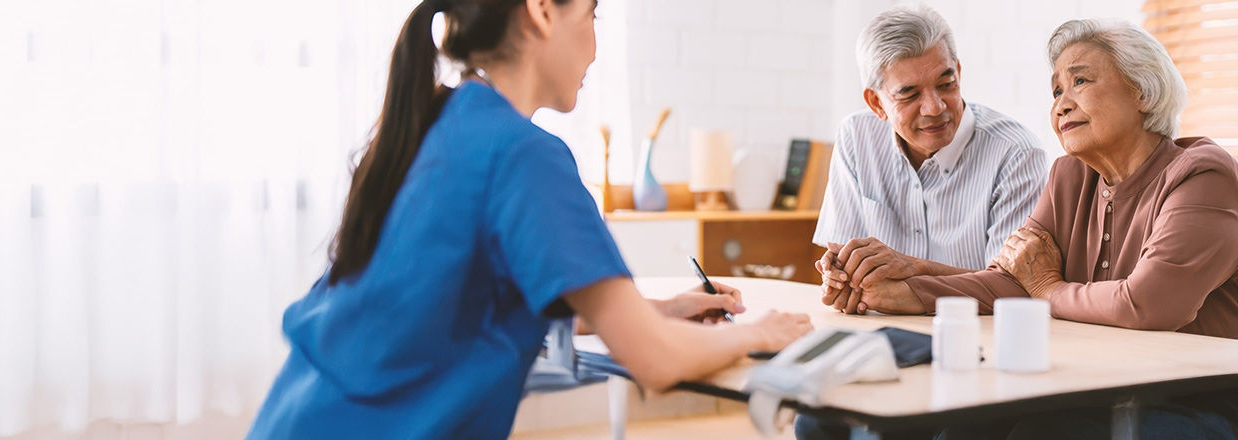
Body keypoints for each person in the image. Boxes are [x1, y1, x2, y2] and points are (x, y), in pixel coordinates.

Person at [245, 0, 813, 438]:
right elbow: (655, 360)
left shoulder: (433, 122)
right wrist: (763, 332)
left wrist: (657, 311)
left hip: (301, 416)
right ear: (542, 11)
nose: (594, 49)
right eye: (592, 16)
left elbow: (468, 302)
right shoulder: (524, 153)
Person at [841, 18, 1238, 439]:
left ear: (1141, 90)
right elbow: (1010, 284)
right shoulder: (1069, 176)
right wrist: (903, 292)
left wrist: (1048, 287)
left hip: (1196, 399)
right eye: (1056, 91)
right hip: (1091, 387)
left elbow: (1150, 304)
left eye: (1079, 81)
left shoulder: (1203, 175)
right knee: (959, 427)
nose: (1061, 104)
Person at [813, 4, 1049, 318]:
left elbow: (1012, 286)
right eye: (909, 94)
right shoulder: (856, 138)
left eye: (945, 84)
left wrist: (913, 269)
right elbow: (843, 262)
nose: (934, 107)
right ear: (876, 103)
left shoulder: (1016, 153)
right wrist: (841, 277)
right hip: (879, 332)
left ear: (959, 73)